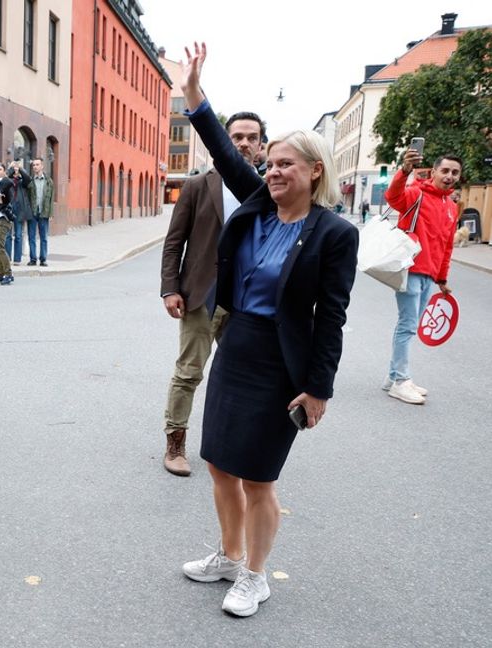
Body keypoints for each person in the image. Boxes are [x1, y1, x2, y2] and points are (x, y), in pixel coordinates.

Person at [179, 43, 358, 617]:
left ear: (315, 172)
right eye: (271, 163)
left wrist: (319, 387)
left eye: (285, 164)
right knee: (218, 463)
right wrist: (195, 98)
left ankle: (256, 576)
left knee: (258, 476)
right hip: (237, 347)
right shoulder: (258, 204)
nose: (273, 171)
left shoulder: (334, 234)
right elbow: (228, 159)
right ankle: (230, 557)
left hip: (282, 363)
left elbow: (331, 315)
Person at [158, 110, 265, 476]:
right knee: (189, 373)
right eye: (237, 137)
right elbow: (174, 244)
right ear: (225, 141)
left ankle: (228, 447)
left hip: (246, 301)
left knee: (238, 377)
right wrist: (170, 288)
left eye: (252, 137)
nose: (244, 144)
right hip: (201, 296)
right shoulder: (197, 186)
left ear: (261, 146)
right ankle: (175, 444)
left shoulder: (267, 192)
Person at [382, 149, 461, 404]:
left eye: (455, 172)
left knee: (410, 324)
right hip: (411, 268)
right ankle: (401, 381)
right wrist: (404, 171)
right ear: (435, 171)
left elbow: (447, 245)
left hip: (429, 274)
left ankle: (394, 376)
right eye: (445, 170)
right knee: (407, 324)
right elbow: (392, 197)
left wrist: (442, 278)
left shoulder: (451, 206)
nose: (449, 176)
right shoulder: (417, 193)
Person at [25, 157, 54, 267]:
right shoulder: (30, 181)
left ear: (42, 166)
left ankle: (43, 259)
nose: (35, 167)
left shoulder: (49, 181)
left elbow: (51, 198)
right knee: (31, 237)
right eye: (34, 165)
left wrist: (50, 213)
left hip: (44, 212)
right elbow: (27, 197)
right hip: (32, 212)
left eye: (37, 164)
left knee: (44, 237)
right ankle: (33, 259)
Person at [5, 163, 30, 265]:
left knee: (18, 235)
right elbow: (6, 177)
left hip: (20, 210)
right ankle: (7, 258)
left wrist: (20, 169)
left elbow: (28, 179)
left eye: (17, 170)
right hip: (9, 209)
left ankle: (17, 259)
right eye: (14, 170)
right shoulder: (8, 181)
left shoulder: (22, 182)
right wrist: (11, 169)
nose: (15, 172)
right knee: (8, 235)